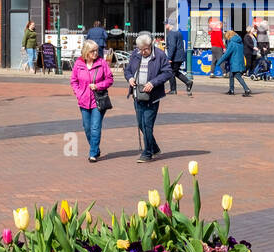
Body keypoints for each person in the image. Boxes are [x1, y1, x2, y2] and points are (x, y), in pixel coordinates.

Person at [124, 32, 173, 163]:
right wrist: (129, 78)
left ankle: (147, 153)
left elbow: (168, 72)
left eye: (145, 49)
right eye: (140, 49)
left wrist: (153, 83)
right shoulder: (135, 54)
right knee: (141, 124)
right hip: (137, 94)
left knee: (147, 125)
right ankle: (154, 147)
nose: (143, 52)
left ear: (151, 45)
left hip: (152, 97)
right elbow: (127, 70)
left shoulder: (160, 55)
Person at [71, 39, 113, 162]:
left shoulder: (102, 63)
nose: (95, 53)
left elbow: (110, 79)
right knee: (87, 127)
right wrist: (78, 93)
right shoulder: (78, 64)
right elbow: (74, 81)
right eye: (92, 51)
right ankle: (96, 148)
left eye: (96, 50)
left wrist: (98, 86)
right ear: (86, 52)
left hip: (98, 100)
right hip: (83, 100)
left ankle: (93, 153)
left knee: (95, 127)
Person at [163, 21, 192, 97]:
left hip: (175, 57)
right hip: (179, 56)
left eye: (166, 24)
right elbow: (176, 44)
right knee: (174, 72)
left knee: (171, 72)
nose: (165, 25)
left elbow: (173, 46)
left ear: (169, 25)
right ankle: (187, 82)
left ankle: (173, 89)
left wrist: (169, 58)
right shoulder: (178, 32)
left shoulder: (172, 33)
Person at [220, 30, 252, 97]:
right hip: (239, 61)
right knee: (231, 75)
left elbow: (227, 54)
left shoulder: (232, 43)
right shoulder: (240, 42)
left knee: (238, 76)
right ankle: (231, 90)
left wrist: (219, 62)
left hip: (235, 62)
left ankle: (247, 89)